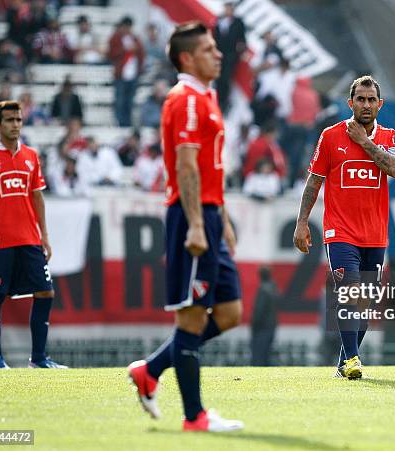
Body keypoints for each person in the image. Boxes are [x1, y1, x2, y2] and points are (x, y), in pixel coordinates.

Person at [127, 21, 243, 432]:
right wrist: (197, 223)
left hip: (210, 215)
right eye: (210, 49)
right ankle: (194, 416)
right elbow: (186, 166)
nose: (219, 54)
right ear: (186, 58)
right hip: (190, 216)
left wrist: (221, 220)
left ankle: (151, 370)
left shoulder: (207, 96)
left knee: (229, 312)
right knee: (191, 319)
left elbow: (212, 168)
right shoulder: (186, 100)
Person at [293, 75, 395, 379]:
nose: (366, 105)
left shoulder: (390, 136)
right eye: (361, 99)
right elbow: (314, 181)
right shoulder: (330, 136)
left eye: (371, 100)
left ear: (380, 104)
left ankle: (344, 362)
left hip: (375, 234)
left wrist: (364, 142)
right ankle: (354, 359)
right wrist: (302, 222)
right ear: (350, 103)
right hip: (340, 232)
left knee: (366, 306)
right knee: (349, 293)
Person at [0, 100, 67, 369]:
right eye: (9, 120)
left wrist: (44, 235)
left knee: (45, 293)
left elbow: (37, 198)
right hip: (0, 241)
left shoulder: (31, 156)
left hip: (30, 239)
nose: (15, 125)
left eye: (19, 120)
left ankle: (39, 359)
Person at [108, 16, 145, 127]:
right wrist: (125, 50)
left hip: (133, 75)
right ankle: (119, 123)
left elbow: (142, 54)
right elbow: (111, 54)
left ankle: (127, 123)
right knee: (119, 101)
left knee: (129, 101)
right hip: (121, 75)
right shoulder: (116, 38)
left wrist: (139, 69)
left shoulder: (135, 39)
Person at [212, 0, 246, 112]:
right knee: (217, 77)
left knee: (226, 78)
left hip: (231, 55)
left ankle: (224, 102)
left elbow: (242, 40)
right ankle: (216, 100)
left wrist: (240, 51)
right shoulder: (219, 20)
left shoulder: (238, 22)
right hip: (219, 54)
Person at [250, 266, 278, 366]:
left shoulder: (263, 289)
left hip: (261, 328)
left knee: (258, 357)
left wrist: (253, 325)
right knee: (266, 355)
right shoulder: (274, 288)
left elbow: (259, 311)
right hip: (271, 326)